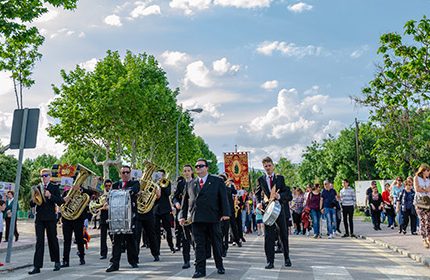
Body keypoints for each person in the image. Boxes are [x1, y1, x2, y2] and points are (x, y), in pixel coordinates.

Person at [179, 158, 230, 278]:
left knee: (216, 244)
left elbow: (223, 198)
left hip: (213, 217)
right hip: (196, 218)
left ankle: (219, 265)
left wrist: (225, 213)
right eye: (196, 166)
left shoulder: (217, 181)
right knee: (199, 245)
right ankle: (199, 270)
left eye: (201, 166)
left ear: (207, 168)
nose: (198, 168)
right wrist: (182, 215)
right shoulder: (191, 183)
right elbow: (185, 202)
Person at [256, 156, 292, 269]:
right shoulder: (261, 179)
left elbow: (288, 194)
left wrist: (279, 196)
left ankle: (287, 258)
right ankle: (270, 261)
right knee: (268, 236)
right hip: (267, 211)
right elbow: (257, 193)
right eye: (265, 166)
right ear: (263, 167)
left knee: (283, 234)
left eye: (269, 165)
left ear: (273, 166)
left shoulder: (280, 178)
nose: (268, 168)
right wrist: (258, 203)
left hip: (279, 209)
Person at [28, 168, 63, 275]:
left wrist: (50, 196)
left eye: (46, 175)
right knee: (39, 242)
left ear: (50, 176)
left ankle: (57, 261)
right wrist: (33, 199)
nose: (44, 178)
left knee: (53, 239)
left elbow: (60, 201)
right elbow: (31, 203)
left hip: (51, 218)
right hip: (39, 218)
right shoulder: (38, 187)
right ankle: (37, 266)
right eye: (42, 176)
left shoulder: (54, 187)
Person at [106, 165, 140, 272]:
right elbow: (109, 197)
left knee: (131, 240)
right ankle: (114, 264)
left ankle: (133, 261)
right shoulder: (116, 185)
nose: (125, 174)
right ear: (120, 174)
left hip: (130, 216)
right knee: (116, 241)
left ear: (130, 173)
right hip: (117, 217)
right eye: (123, 173)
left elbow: (133, 191)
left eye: (127, 172)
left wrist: (125, 191)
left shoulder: (135, 183)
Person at [60, 182, 92, 267]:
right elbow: (60, 203)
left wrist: (81, 189)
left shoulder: (83, 193)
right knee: (67, 240)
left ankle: (82, 257)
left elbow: (92, 193)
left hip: (78, 219)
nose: (74, 186)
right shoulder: (67, 193)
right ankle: (65, 261)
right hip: (67, 219)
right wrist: (65, 199)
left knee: (79, 239)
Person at [177, 164, 195, 269]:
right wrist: (176, 204)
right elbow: (175, 197)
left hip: (193, 214)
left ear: (192, 172)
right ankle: (186, 261)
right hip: (183, 214)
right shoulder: (181, 184)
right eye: (185, 171)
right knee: (185, 239)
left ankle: (198, 258)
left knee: (195, 238)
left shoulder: (196, 182)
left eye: (188, 170)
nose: (187, 172)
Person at [154, 169, 175, 254]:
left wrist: (161, 185)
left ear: (163, 175)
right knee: (156, 231)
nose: (160, 177)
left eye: (161, 175)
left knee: (168, 229)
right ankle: (157, 250)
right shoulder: (153, 184)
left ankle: (171, 246)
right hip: (155, 209)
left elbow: (168, 193)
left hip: (165, 209)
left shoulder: (167, 183)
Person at [413, 164, 430, 248]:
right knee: (422, 220)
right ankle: (424, 239)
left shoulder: (428, 180)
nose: (429, 172)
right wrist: (425, 189)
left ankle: (428, 238)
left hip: (428, 202)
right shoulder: (416, 178)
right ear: (423, 171)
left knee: (429, 221)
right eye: (428, 171)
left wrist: (422, 188)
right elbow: (417, 189)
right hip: (419, 202)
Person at [99, 179, 112, 260]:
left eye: (109, 185)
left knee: (113, 236)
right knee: (103, 237)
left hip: (111, 217)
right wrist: (101, 206)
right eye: (106, 186)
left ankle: (117, 250)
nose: (108, 187)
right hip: (103, 217)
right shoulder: (101, 195)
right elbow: (98, 205)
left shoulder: (114, 194)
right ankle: (103, 253)